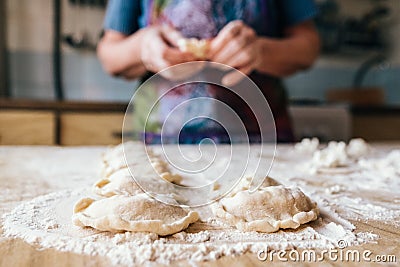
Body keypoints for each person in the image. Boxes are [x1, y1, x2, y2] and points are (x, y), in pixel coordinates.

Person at [97, 0, 321, 144]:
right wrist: (143, 46)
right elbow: (110, 54)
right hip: (161, 143)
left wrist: (260, 51)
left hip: (263, 142)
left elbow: (308, 46)